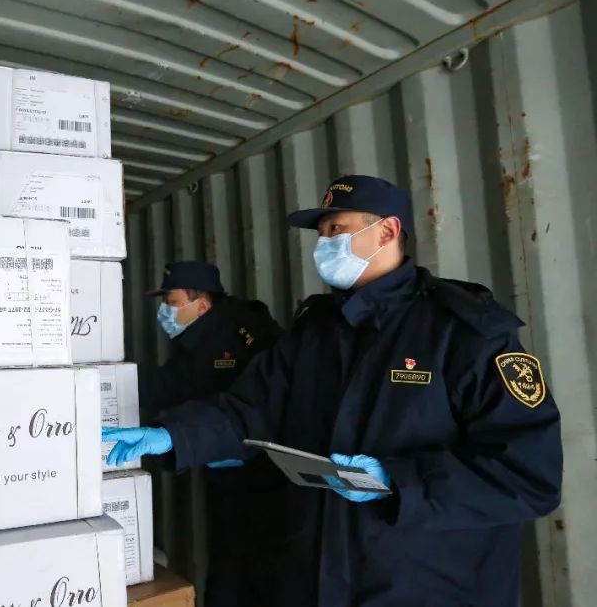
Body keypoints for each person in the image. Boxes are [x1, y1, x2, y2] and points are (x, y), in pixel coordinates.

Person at [105, 176, 563, 607]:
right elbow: (251, 408)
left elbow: (528, 476)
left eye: (336, 230)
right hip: (320, 580)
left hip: (428, 586)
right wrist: (174, 435)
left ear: (387, 232)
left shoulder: (464, 331)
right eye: (321, 233)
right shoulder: (316, 330)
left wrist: (397, 480)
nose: (323, 244)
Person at [137, 261, 284, 607]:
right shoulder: (194, 338)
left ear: (201, 305)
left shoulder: (246, 334)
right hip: (221, 473)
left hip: (264, 478)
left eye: (171, 302)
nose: (164, 311)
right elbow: (173, 384)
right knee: (227, 566)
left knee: (259, 567)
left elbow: (260, 404)